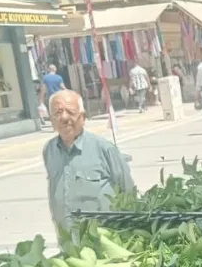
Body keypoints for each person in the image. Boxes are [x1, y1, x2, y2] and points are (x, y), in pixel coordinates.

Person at [42, 90, 135, 239]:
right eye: (57, 113)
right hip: (68, 240)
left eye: (70, 112)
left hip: (104, 239)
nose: (64, 117)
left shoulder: (105, 149)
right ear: (51, 120)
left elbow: (129, 193)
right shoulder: (49, 150)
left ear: (83, 117)